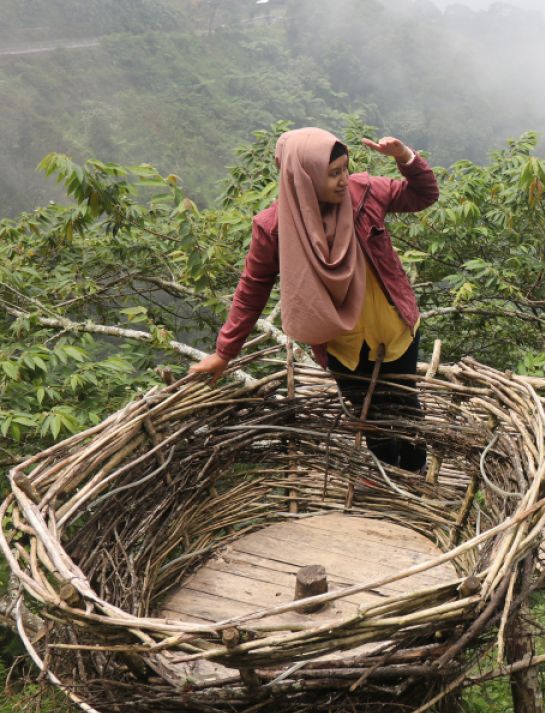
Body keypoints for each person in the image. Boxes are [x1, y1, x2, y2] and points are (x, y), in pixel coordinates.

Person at [189, 127, 440, 472]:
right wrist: (224, 353)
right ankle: (392, 482)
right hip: (342, 344)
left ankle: (415, 475)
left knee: (406, 408)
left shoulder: (363, 193)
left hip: (396, 330)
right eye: (333, 173)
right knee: (370, 419)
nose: (343, 179)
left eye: (345, 169)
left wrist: (404, 158)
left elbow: (423, 195)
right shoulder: (275, 227)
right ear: (302, 177)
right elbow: (252, 288)